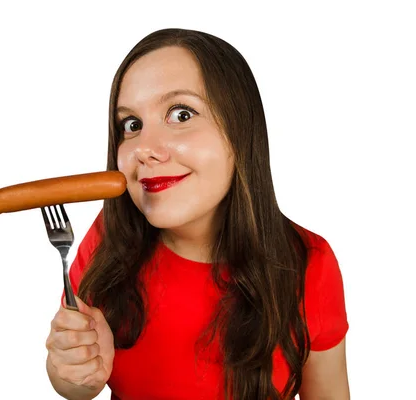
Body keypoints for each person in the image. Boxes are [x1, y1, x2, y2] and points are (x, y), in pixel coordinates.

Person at [45, 28, 350, 400]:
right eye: (132, 124)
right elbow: (72, 385)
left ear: (240, 130)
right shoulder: (109, 237)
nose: (144, 149)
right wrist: (79, 374)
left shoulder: (310, 264)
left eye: (181, 113)